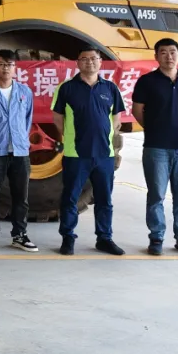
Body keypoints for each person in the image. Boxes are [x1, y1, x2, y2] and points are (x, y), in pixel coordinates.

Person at [131, 38, 178, 256]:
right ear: (156, 56)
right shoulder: (146, 81)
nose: (169, 56)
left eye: (173, 52)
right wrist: (154, 128)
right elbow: (137, 111)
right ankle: (156, 237)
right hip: (156, 148)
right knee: (156, 195)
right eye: (163, 52)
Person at [52, 48, 126, 256]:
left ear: (100, 62)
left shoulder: (110, 88)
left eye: (94, 59)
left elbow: (116, 119)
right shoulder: (66, 88)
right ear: (78, 63)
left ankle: (104, 238)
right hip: (76, 154)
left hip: (104, 155)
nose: (89, 62)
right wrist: (71, 137)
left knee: (104, 199)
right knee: (70, 198)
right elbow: (58, 119)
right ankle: (68, 238)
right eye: (84, 59)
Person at [0, 50, 38, 252]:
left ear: (15, 67)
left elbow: (27, 120)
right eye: (1, 64)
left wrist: (20, 139)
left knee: (21, 197)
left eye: (9, 64)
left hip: (20, 151)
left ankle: (19, 235)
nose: (6, 68)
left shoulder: (25, 92)